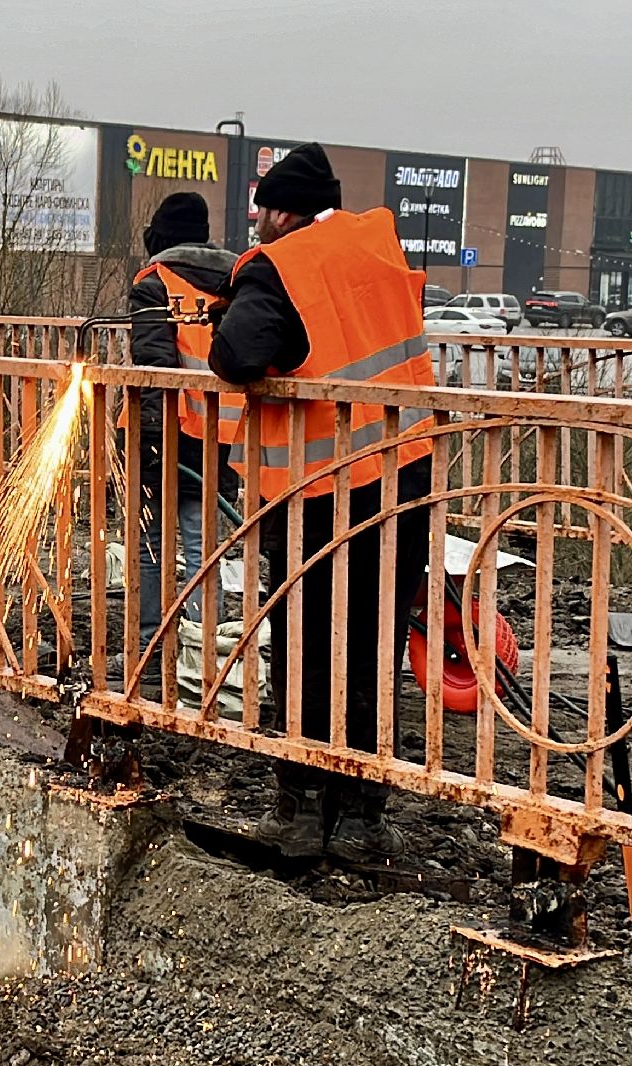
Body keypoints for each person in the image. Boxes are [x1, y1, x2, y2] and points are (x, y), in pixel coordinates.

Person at [207, 144, 437, 862]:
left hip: (322, 491)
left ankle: (302, 809)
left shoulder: (282, 266)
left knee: (307, 644)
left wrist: (235, 310)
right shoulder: (377, 244)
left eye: (259, 212)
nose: (256, 225)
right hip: (404, 474)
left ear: (281, 210)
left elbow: (236, 355)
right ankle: (363, 819)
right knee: (374, 644)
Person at [121, 192, 238, 688]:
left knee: (151, 546)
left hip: (164, 434)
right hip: (222, 437)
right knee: (202, 549)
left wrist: (150, 440)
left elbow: (153, 366)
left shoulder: (154, 282)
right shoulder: (236, 281)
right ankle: (200, 654)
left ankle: (150, 650)